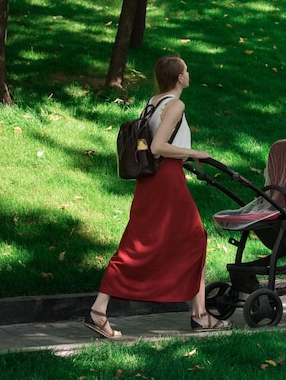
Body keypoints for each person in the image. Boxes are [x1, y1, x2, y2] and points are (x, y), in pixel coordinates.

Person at [84, 55, 231, 338]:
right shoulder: (175, 104)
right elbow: (158, 148)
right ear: (179, 78)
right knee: (192, 238)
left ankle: (100, 309)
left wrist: (180, 155)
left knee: (144, 242)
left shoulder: (153, 102)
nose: (189, 73)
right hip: (166, 182)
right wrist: (193, 152)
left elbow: (147, 143)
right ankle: (198, 316)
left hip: (150, 180)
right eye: (186, 70)